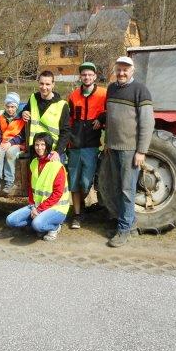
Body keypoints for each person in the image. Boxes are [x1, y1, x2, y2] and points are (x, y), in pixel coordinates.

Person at [102, 56, 154, 247]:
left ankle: (123, 230)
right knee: (117, 187)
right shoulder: (111, 89)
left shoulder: (140, 90)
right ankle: (129, 225)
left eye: (126, 70)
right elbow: (111, 119)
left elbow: (147, 123)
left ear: (133, 71)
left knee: (126, 190)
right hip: (113, 148)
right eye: (119, 69)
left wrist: (141, 151)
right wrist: (107, 142)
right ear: (115, 70)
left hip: (130, 150)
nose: (122, 73)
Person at [5, 132, 69, 241]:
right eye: (37, 145)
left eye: (43, 145)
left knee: (37, 225)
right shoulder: (34, 163)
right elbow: (31, 188)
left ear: (48, 146)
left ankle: (55, 227)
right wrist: (32, 205)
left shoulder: (57, 166)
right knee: (10, 220)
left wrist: (39, 210)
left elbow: (57, 194)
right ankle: (39, 222)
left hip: (57, 208)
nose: (39, 148)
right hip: (37, 206)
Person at [66, 62, 107, 230]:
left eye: (90, 74)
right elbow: (67, 119)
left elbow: (111, 110)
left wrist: (102, 119)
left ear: (95, 76)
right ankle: (77, 214)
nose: (87, 77)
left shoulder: (104, 93)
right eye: (84, 75)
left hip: (91, 145)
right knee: (74, 182)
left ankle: (84, 206)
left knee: (86, 182)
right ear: (80, 77)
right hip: (74, 145)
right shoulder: (73, 95)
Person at [21, 70, 70, 161]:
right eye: (41, 83)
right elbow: (26, 110)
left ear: (53, 84)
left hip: (53, 152)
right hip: (35, 150)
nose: (44, 87)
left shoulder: (62, 105)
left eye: (47, 84)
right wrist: (24, 112)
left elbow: (66, 132)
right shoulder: (33, 98)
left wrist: (57, 152)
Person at [0, 92, 25, 193]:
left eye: (13, 107)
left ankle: (9, 181)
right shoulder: (1, 118)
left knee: (10, 153)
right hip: (3, 142)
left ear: (16, 107)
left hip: (16, 144)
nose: (10, 109)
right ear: (5, 106)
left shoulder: (20, 119)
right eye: (8, 106)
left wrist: (10, 143)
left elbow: (21, 136)